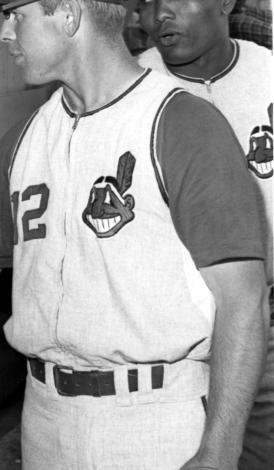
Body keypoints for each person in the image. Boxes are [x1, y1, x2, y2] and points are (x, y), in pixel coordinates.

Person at [0, 0, 270, 468]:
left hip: (155, 419)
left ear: (68, 15)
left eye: (15, 15)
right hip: (45, 417)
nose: (5, 34)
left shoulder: (182, 124)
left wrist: (220, 450)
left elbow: (242, 299)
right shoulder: (25, 139)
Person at [136, 1, 274, 467]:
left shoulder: (268, 73)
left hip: (265, 318)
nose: (160, 15)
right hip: (169, 336)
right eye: (147, 3)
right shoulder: (129, 87)